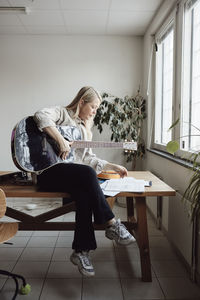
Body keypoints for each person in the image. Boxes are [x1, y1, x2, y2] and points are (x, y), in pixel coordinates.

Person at [33, 86, 135, 277]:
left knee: (84, 193)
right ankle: (111, 223)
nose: (95, 112)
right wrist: (60, 141)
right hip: (48, 172)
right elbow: (40, 116)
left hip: (71, 174)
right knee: (88, 176)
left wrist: (112, 166)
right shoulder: (62, 113)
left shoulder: (84, 129)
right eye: (93, 107)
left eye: (97, 109)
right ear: (81, 102)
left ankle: (81, 251)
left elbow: (87, 159)